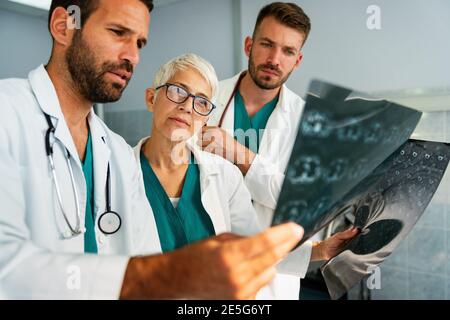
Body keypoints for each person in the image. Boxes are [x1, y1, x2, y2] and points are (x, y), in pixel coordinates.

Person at [0, 0, 304, 299]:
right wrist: (167, 274)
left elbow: (145, 255)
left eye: (140, 43)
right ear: (64, 26)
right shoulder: (7, 115)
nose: (132, 56)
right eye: (118, 32)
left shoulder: (115, 153)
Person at [136, 53, 358, 299]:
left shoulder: (225, 177)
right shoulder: (118, 172)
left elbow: (252, 248)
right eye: (177, 91)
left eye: (201, 102)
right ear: (150, 98)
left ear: (206, 118)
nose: (187, 106)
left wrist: (320, 250)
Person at [200, 2, 359, 298]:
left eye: (287, 51)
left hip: (272, 279)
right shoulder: (204, 98)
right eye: (266, 44)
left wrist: (240, 155)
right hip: (205, 267)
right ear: (249, 45)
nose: (274, 59)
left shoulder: (309, 122)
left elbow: (299, 205)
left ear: (297, 61)